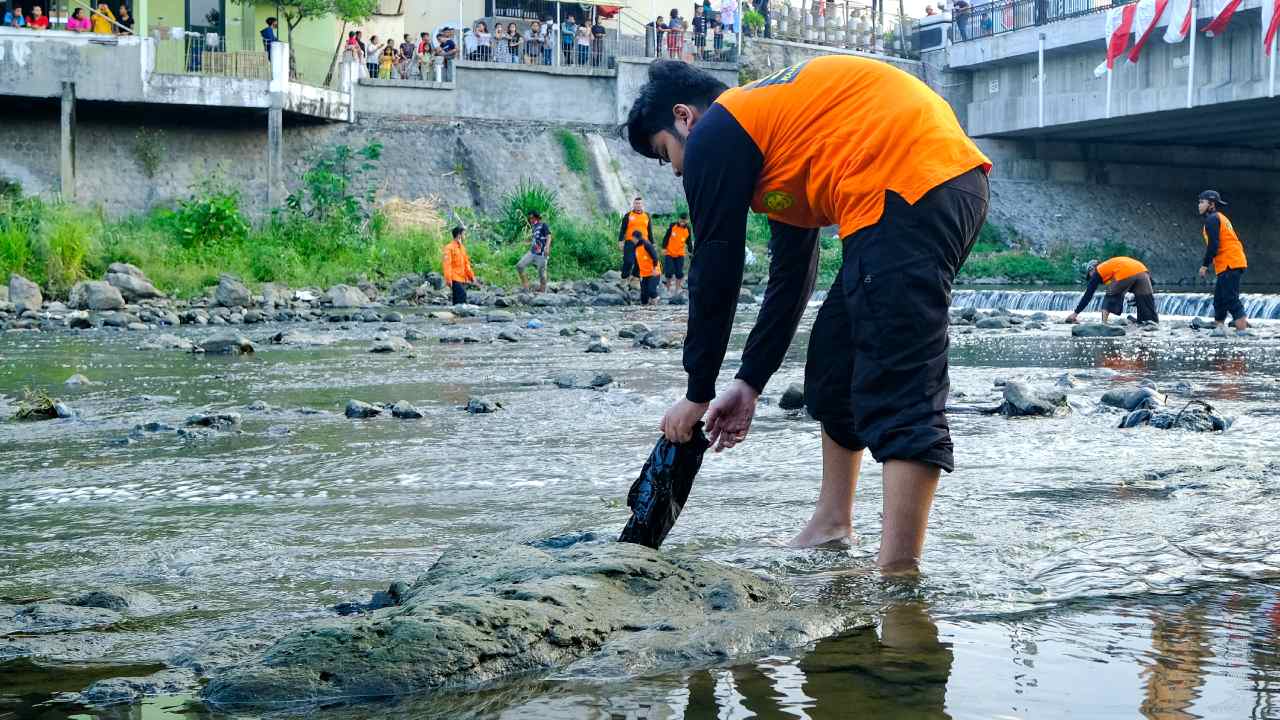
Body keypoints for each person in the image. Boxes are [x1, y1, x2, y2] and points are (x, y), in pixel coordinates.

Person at [625, 57, 991, 572]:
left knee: (899, 379)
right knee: (833, 361)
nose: (680, 170)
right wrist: (749, 383)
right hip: (928, 183)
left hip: (907, 183)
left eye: (666, 155)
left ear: (684, 118)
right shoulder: (774, 133)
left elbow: (717, 262)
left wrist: (697, 392)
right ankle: (832, 524)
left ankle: (899, 578)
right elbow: (790, 278)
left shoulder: (715, 131)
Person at [1197, 190, 1250, 337]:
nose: (1199, 205)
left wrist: (1204, 265)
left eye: (1202, 202)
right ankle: (1219, 328)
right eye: (1199, 202)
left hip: (1230, 262)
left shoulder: (1212, 219)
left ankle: (1242, 332)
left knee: (1230, 298)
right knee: (1219, 299)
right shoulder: (1219, 218)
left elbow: (1213, 245)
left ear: (1211, 204)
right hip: (1229, 262)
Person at [1065, 257, 1158, 325]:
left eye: (1090, 275)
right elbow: (1150, 284)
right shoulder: (1111, 265)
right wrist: (1136, 296)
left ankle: (1104, 324)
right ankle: (1149, 322)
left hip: (1126, 272)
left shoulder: (1098, 270)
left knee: (1110, 293)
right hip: (1143, 270)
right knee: (1145, 298)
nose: (1091, 278)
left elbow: (1088, 295)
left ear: (1092, 269)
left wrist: (1075, 313)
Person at [617, 196, 653, 290]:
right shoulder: (628, 215)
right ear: (633, 204)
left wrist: (652, 243)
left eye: (639, 203)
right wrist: (620, 241)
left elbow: (649, 230)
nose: (638, 205)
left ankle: (635, 280)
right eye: (636, 203)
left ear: (642, 205)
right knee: (628, 261)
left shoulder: (647, 216)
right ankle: (624, 279)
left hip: (643, 243)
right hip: (630, 241)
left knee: (640, 262)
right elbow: (623, 229)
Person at [516, 210, 552, 292]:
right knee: (519, 266)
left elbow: (549, 236)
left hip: (542, 254)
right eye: (530, 218)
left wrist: (547, 247)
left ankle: (542, 292)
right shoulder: (534, 227)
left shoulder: (543, 225)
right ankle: (526, 286)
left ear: (537, 217)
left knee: (542, 274)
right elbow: (535, 239)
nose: (531, 220)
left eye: (532, 218)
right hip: (532, 253)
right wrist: (526, 243)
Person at [443, 226, 477, 305]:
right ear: (459, 235)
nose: (465, 236)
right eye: (464, 234)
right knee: (461, 300)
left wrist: (472, 277)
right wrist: (448, 280)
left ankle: (457, 317)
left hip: (462, 279)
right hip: (454, 279)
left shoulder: (462, 248)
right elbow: (447, 265)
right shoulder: (449, 248)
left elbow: (466, 264)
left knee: (460, 301)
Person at [662, 212, 692, 292]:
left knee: (679, 273)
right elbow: (666, 237)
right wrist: (664, 248)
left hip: (680, 254)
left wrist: (690, 253)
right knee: (668, 272)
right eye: (681, 220)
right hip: (669, 253)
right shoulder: (673, 225)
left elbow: (688, 242)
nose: (682, 223)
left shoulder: (688, 229)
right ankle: (668, 290)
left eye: (684, 221)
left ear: (687, 221)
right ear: (678, 219)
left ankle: (677, 289)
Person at [635, 230, 663, 305]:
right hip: (644, 274)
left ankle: (656, 305)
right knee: (643, 297)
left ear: (636, 238)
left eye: (633, 239)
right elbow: (637, 263)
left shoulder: (647, 244)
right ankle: (646, 311)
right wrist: (635, 275)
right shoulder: (636, 248)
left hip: (654, 272)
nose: (632, 240)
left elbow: (655, 257)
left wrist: (654, 269)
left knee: (651, 290)